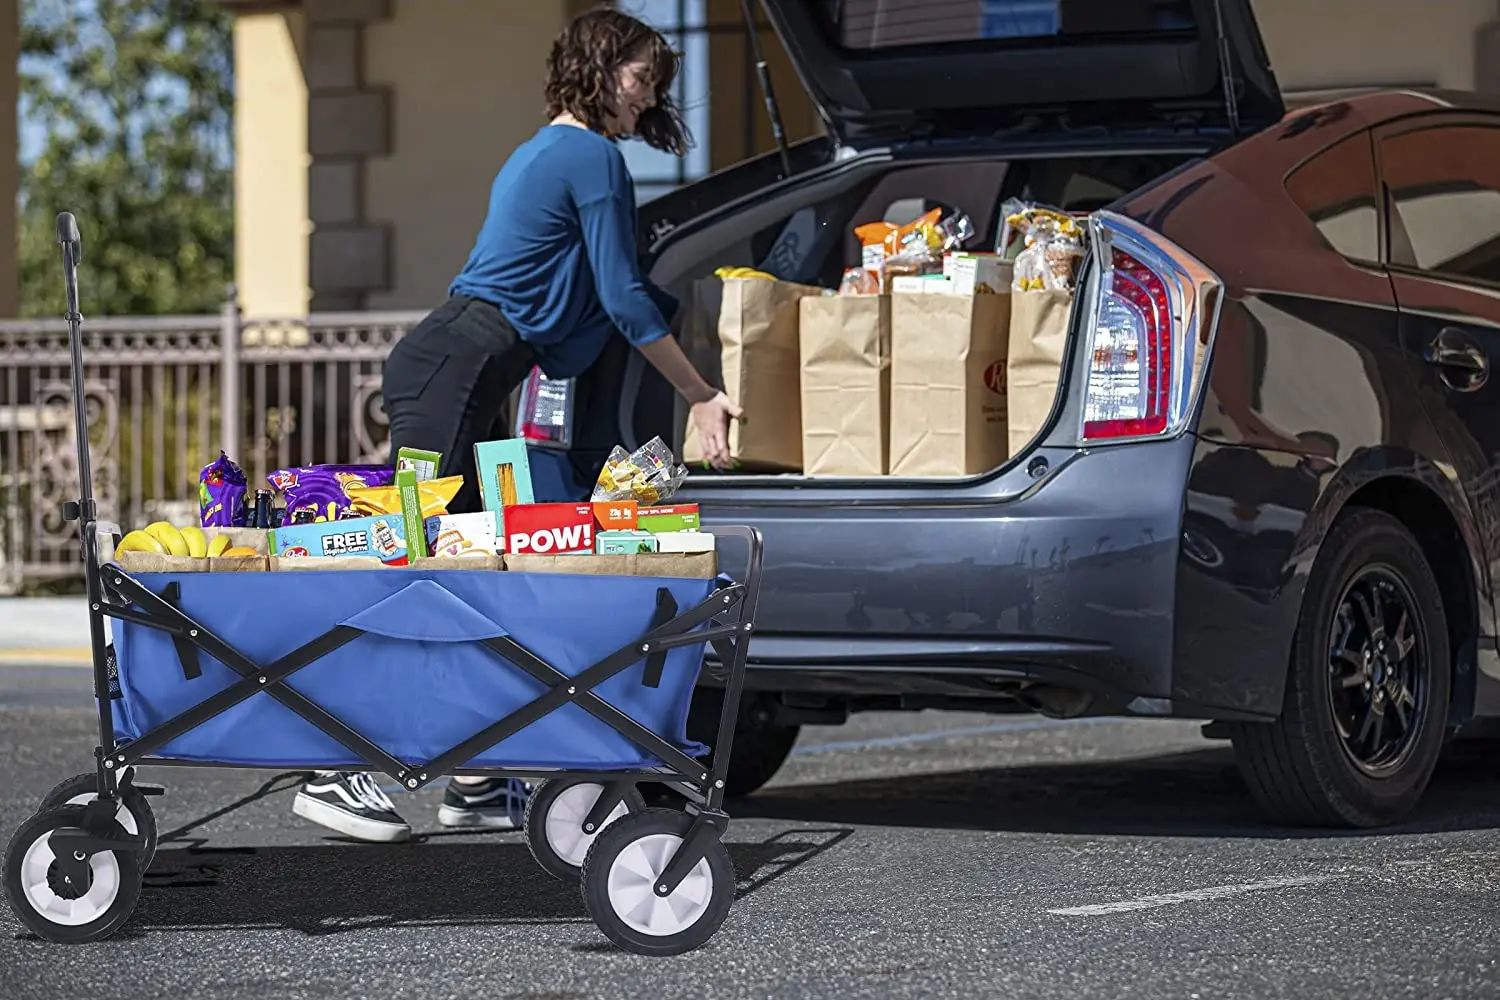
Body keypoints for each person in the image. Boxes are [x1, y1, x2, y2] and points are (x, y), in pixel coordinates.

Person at [290, 6, 741, 844]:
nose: (647, 103)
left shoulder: (547, 151)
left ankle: (471, 774)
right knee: (411, 562)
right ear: (602, 68)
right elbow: (622, 299)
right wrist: (701, 393)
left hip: (462, 371)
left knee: (459, 571)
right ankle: (337, 768)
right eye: (642, 82)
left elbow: (567, 334)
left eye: (655, 89)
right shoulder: (589, 154)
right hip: (452, 370)